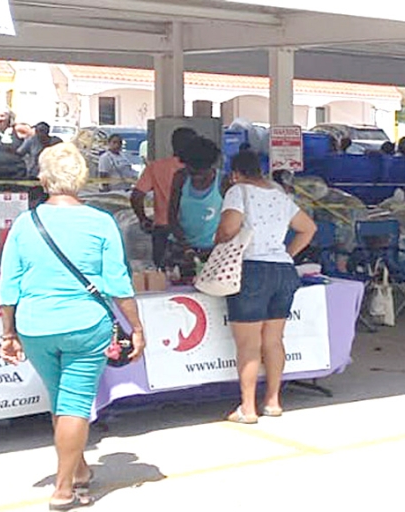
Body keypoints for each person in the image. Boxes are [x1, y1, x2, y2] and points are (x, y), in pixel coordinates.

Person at [0, 142, 145, 510]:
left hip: (34, 326)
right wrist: (136, 326)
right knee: (75, 404)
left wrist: (8, 333)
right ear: (81, 178)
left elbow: (8, 285)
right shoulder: (100, 222)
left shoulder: (24, 223)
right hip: (85, 324)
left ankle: (79, 471)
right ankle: (64, 488)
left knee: (61, 400)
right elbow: (117, 283)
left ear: (43, 178)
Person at [215, 149, 316, 423]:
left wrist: (218, 240)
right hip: (283, 271)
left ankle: (247, 408)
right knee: (273, 340)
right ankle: (273, 401)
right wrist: (287, 254)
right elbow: (308, 228)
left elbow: (228, 229)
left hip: (251, 269)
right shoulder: (280, 195)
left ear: (236, 174)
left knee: (248, 344)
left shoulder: (238, 191)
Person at [131, 127, 196, 269]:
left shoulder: (156, 167)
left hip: (163, 229)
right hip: (193, 231)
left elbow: (137, 196)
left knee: (163, 277)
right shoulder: (200, 171)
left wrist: (143, 219)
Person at [168, 136, 225, 275]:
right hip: (181, 249)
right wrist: (185, 246)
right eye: (192, 172)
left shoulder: (224, 182)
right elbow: (172, 215)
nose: (196, 177)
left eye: (201, 173)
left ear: (211, 166)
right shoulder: (180, 178)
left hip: (214, 252)